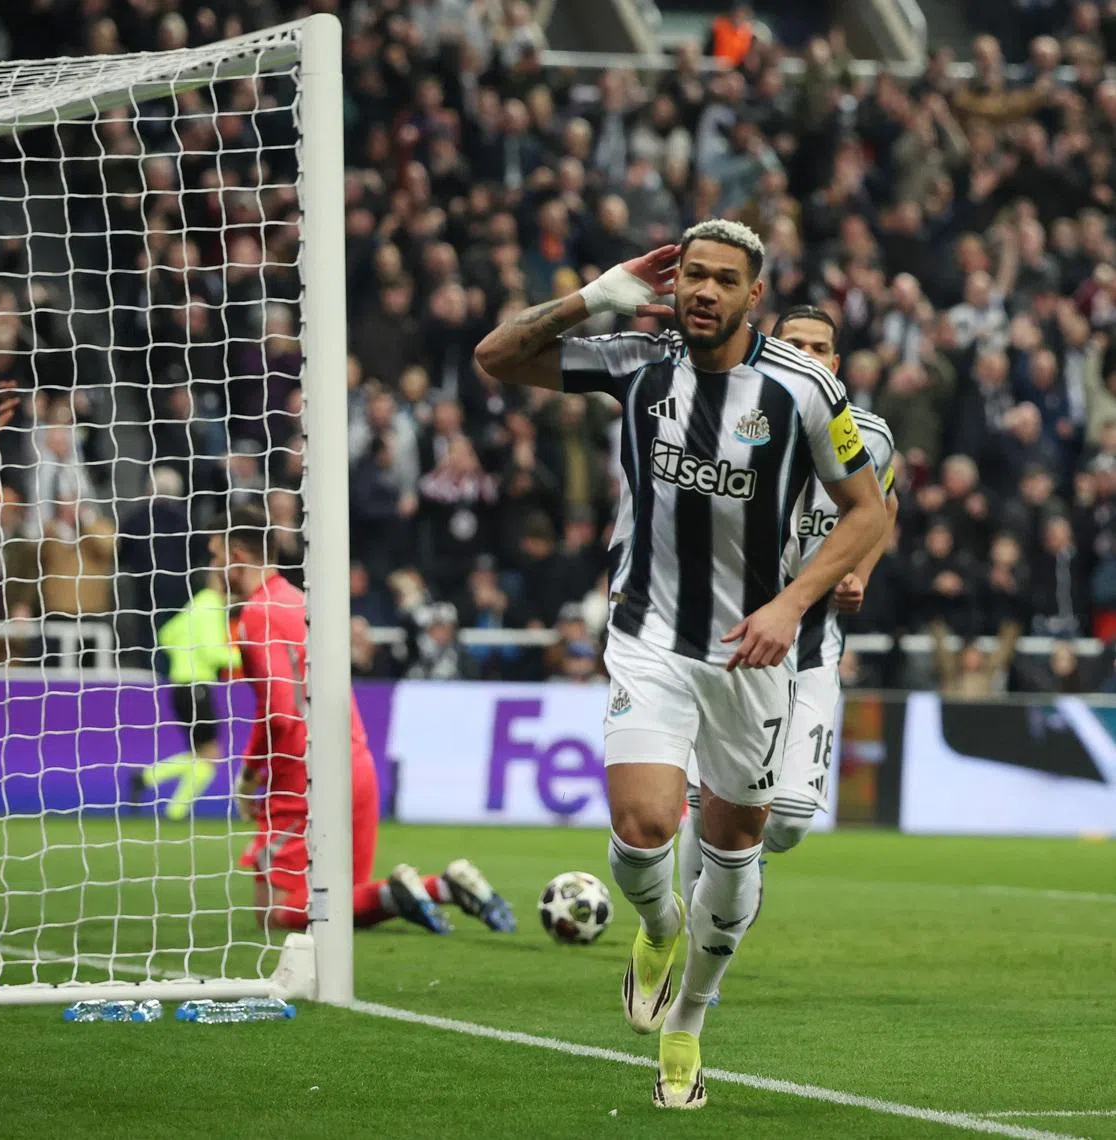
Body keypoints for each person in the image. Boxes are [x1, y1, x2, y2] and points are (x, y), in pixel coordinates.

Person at [474, 222, 886, 1109]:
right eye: (692, 274)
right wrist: (595, 294)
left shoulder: (804, 388)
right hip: (650, 631)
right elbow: (498, 356)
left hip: (753, 651)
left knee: (739, 843)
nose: (702, 290)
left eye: (722, 279)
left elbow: (866, 511)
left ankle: (688, 1026)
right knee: (646, 824)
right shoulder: (637, 359)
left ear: (752, 296)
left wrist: (789, 604)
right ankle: (658, 926)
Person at [678, 308, 900, 925]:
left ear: (834, 363)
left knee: (794, 818)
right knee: (708, 801)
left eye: (819, 347)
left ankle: (741, 864)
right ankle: (695, 947)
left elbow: (884, 506)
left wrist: (860, 573)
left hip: (813, 648)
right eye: (792, 343)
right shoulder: (729, 421)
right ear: (770, 348)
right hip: (733, 640)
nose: (806, 353)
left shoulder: (872, 437)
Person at [209, 504, 515, 936]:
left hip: (304, 772)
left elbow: (278, 710)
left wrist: (253, 773)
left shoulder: (257, 613)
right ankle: (441, 886)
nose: (213, 567)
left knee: (274, 916)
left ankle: (397, 893)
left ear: (237, 555)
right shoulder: (302, 602)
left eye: (215, 555)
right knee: (347, 902)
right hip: (355, 761)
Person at [131, 568, 241, 821]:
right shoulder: (211, 606)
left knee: (203, 753)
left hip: (179, 685)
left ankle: (150, 781)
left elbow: (166, 634)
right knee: (211, 755)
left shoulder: (195, 604)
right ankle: (173, 807)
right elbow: (212, 651)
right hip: (197, 685)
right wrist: (249, 655)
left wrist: (182, 656)